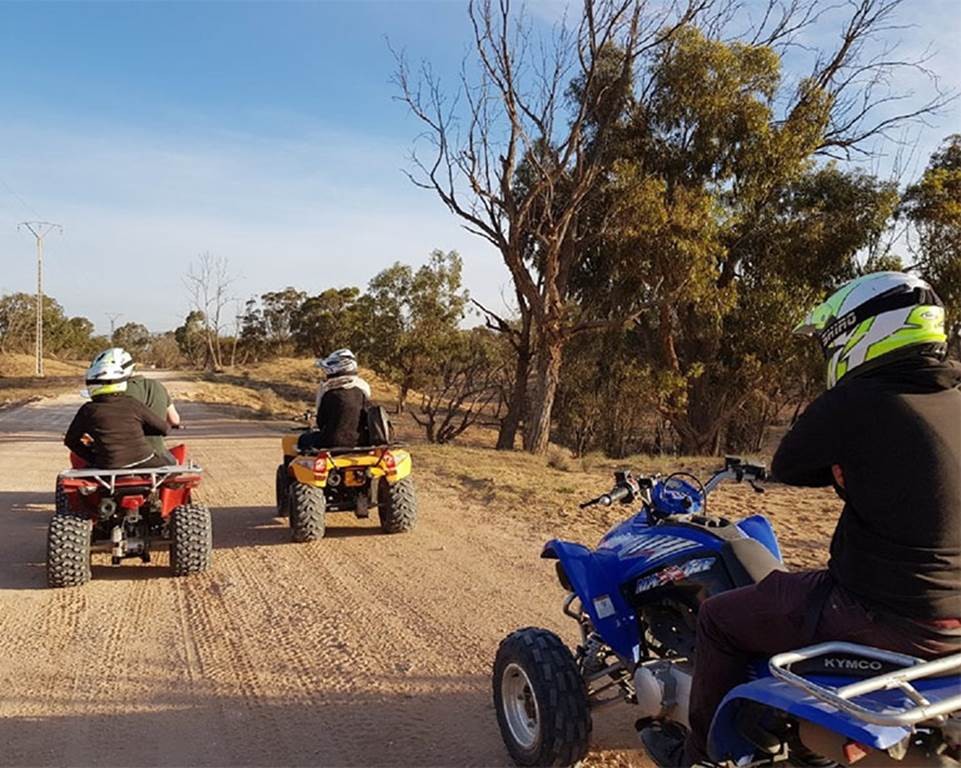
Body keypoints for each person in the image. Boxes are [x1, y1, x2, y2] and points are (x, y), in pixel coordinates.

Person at [641, 272, 961, 767]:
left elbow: (790, 465)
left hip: (884, 614)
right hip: (954, 624)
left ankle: (699, 756)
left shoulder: (857, 401)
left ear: (863, 333)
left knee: (720, 618)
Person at [64, 349, 170, 469]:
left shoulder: (87, 410)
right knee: (171, 466)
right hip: (144, 460)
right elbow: (164, 429)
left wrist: (93, 458)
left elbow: (70, 441)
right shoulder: (132, 403)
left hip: (108, 465)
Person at [298, 348, 371, 451]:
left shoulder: (330, 394)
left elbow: (321, 422)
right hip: (359, 441)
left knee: (302, 439)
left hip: (331, 442)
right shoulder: (362, 392)